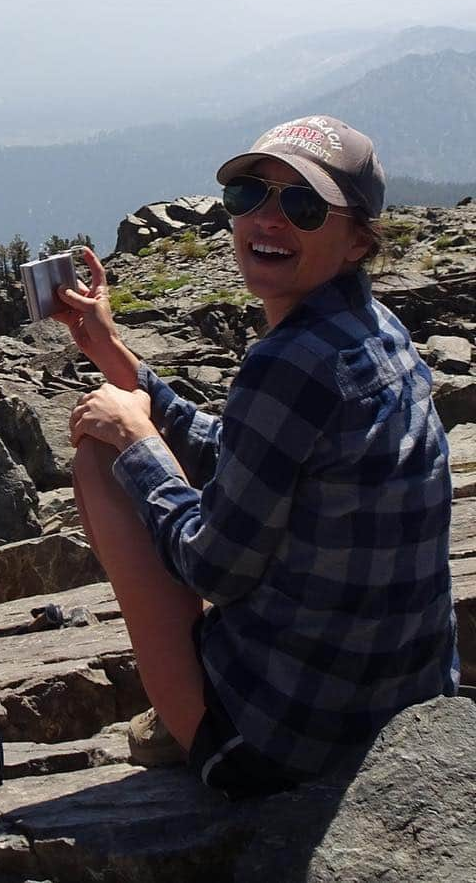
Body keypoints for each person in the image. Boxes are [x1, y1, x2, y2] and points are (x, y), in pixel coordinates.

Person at [56, 116, 458, 798]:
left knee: (101, 463)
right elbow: (247, 455)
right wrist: (110, 353)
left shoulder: (291, 362)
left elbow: (215, 565)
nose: (267, 220)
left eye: (301, 205)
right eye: (250, 196)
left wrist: (137, 442)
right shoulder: (374, 329)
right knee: (123, 440)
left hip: (282, 746)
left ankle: (193, 721)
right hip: (400, 711)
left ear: (358, 238)